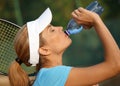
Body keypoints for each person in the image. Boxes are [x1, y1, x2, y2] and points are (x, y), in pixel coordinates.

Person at [8, 7, 120, 86]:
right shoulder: (53, 75)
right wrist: (96, 21)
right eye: (52, 30)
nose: (60, 27)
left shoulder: (48, 77)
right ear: (44, 50)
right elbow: (116, 64)